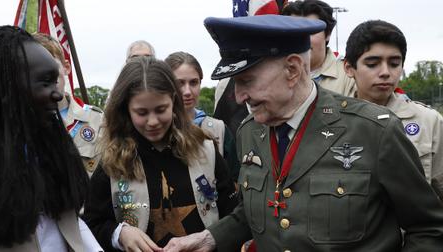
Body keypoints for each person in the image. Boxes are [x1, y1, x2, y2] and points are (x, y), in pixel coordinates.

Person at [163, 15, 443, 252]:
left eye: (246, 81)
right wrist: (209, 237)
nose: (238, 97)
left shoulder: (374, 130)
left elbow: (428, 228)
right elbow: (257, 211)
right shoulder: (250, 132)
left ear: (293, 69)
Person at [0, 26, 101, 251]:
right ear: (4, 89)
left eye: (55, 81)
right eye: (45, 82)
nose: (57, 95)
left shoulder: (51, 156)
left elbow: (72, 228)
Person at [82, 56, 238, 251]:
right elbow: (91, 222)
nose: (153, 121)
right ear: (126, 110)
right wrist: (119, 233)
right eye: (142, 112)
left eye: (161, 109)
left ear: (173, 102)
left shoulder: (205, 150)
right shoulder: (114, 161)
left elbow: (233, 214)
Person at [343, 20, 443, 197]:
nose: (385, 72)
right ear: (349, 68)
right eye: (372, 64)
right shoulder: (331, 122)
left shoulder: (429, 121)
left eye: (394, 63)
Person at [33, 33, 104, 176]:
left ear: (66, 67)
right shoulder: (19, 124)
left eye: (51, 66)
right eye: (36, 69)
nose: (46, 75)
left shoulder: (97, 120)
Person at [165, 51, 240, 183]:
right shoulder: (155, 130)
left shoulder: (219, 130)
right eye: (179, 83)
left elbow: (234, 182)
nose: (187, 91)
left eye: (193, 82)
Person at [281, 0, 356, 97]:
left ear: (328, 34)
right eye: (295, 32)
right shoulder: (272, 74)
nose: (302, 39)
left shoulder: (349, 77)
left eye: (311, 31)